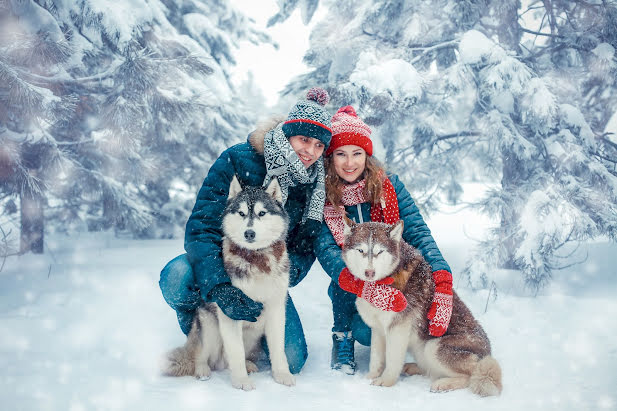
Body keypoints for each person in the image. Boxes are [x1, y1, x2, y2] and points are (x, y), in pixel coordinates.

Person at [159, 88, 333, 374]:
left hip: (270, 274)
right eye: (304, 139)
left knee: (292, 360)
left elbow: (305, 245)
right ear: (288, 134)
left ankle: (246, 340)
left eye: (318, 145)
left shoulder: (315, 184)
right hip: (226, 265)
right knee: (177, 276)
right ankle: (203, 335)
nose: (310, 151)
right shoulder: (239, 159)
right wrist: (220, 286)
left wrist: (280, 273)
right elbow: (202, 228)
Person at [314, 106, 454, 375]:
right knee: (350, 263)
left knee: (377, 330)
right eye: (341, 154)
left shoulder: (389, 187)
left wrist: (443, 278)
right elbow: (325, 246)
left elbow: (418, 232)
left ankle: (382, 330)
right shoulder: (323, 195)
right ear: (330, 158)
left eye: (357, 153)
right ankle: (342, 335)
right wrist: (353, 280)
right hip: (351, 277)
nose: (349, 162)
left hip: (389, 273)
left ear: (367, 156)